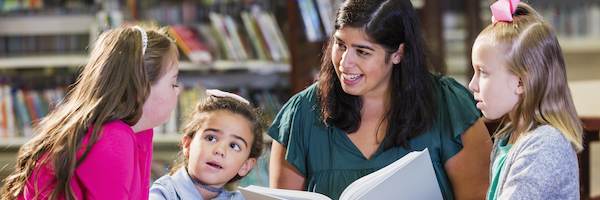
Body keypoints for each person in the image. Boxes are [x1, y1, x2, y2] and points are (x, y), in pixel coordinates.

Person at [267, 0, 492, 199]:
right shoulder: (300, 114)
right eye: (341, 45)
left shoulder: (448, 106)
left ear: (398, 54)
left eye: (362, 51)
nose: (345, 63)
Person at [1, 25, 180, 199]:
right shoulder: (113, 139)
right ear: (141, 89)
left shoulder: (136, 131)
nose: (178, 91)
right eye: (173, 84)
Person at [468, 1, 584, 199]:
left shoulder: (546, 145)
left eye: (483, 72)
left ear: (520, 82)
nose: (472, 84)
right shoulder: (508, 137)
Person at [149, 90, 266, 200]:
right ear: (188, 145)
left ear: (245, 165)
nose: (220, 150)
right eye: (211, 138)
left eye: (234, 146)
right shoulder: (164, 193)